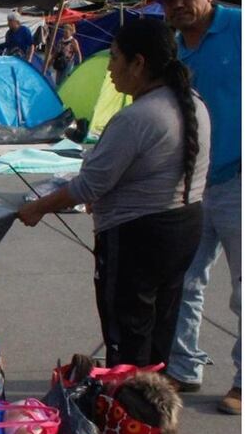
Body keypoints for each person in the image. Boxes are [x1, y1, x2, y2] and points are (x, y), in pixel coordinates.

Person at [18, 19, 210, 368]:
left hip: (139, 237)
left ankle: (131, 407)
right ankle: (154, 404)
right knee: (160, 327)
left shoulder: (137, 117)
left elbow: (88, 185)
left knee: (128, 332)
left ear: (138, 63)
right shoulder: (194, 103)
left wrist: (38, 208)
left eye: (115, 57)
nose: (108, 67)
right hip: (185, 225)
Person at [155, 0, 242, 414]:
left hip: (239, 176)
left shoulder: (239, 28)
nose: (176, 5)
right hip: (194, 180)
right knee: (185, 278)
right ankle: (183, 367)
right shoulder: (172, 49)